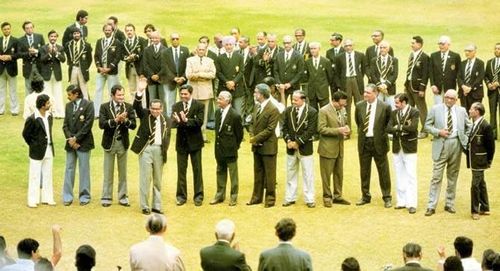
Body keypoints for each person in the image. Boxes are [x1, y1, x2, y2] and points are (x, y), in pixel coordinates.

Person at [424, 89, 471, 216]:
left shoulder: (461, 111)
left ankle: (449, 204)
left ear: (456, 100)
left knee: (453, 175)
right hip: (441, 144)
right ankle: (431, 205)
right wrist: (439, 132)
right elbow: (426, 126)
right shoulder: (435, 109)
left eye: (452, 98)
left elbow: (469, 126)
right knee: (436, 177)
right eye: (447, 97)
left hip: (456, 144)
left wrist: (464, 139)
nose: (449, 100)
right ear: (444, 97)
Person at [130, 83, 170, 215]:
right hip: (146, 149)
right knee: (145, 179)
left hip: (159, 151)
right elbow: (136, 107)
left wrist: (165, 151)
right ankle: (145, 206)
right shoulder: (145, 115)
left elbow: (167, 137)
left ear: (162, 109)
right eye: (153, 109)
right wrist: (140, 92)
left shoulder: (167, 120)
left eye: (157, 109)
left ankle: (157, 206)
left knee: (158, 180)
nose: (155, 111)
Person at [99, 84, 137, 207]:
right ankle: (106, 197)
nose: (121, 97)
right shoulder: (104, 107)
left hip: (123, 143)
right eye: (119, 95)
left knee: (123, 172)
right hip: (109, 143)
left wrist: (124, 121)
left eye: (122, 94)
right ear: (112, 95)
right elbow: (101, 124)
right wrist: (115, 120)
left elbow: (133, 125)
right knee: (108, 172)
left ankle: (123, 197)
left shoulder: (129, 107)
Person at [355, 84, 392, 208]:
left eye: (368, 92)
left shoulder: (385, 107)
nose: (365, 94)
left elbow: (388, 123)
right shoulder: (359, 106)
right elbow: (358, 122)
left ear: (376, 93)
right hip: (364, 142)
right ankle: (365, 196)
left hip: (379, 143)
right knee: (364, 171)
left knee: (383, 171)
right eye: (364, 92)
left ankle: (387, 197)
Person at [282, 90, 317, 208]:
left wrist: (298, 142)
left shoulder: (312, 112)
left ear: (303, 100)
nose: (293, 102)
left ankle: (310, 198)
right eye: (292, 99)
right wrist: (288, 141)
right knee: (291, 172)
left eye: (295, 100)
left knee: (308, 174)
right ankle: (290, 197)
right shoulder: (288, 111)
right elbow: (284, 127)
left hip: (305, 147)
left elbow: (311, 130)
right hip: (290, 147)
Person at [172, 84, 205, 206]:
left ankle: (199, 196)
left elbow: (199, 122)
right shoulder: (176, 106)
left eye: (185, 94)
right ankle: (181, 196)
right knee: (181, 171)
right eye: (181, 94)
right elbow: (173, 124)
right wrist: (177, 121)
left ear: (191, 94)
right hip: (181, 143)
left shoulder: (199, 106)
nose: (183, 96)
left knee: (197, 170)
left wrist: (186, 121)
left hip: (195, 143)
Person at [247, 83, 280, 208]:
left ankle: (270, 199)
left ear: (261, 94)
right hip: (257, 145)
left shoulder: (273, 109)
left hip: (268, 146)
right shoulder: (257, 107)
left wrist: (255, 138)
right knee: (258, 172)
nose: (254, 94)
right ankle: (256, 197)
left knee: (270, 174)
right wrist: (251, 134)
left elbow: (270, 129)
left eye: (256, 92)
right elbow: (252, 122)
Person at [62, 84, 94, 206]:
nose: (68, 97)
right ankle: (67, 196)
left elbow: (88, 125)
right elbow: (65, 125)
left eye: (69, 94)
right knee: (69, 169)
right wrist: (70, 139)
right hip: (71, 144)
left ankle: (84, 196)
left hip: (83, 143)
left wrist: (76, 139)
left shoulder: (88, 104)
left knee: (84, 169)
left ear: (76, 94)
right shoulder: (68, 106)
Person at [387, 93, 419, 214]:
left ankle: (412, 203)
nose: (395, 105)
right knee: (399, 174)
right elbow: (388, 128)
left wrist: (398, 127)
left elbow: (413, 128)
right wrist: (403, 127)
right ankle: (401, 201)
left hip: (409, 147)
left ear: (404, 102)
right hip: (397, 147)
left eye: (397, 103)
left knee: (411, 175)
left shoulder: (414, 112)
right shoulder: (394, 113)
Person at [318, 91, 351, 207]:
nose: (343, 107)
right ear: (334, 101)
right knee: (326, 175)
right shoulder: (323, 111)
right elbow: (321, 129)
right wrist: (338, 131)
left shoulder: (342, 110)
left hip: (339, 147)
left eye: (344, 105)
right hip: (327, 148)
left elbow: (344, 123)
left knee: (339, 173)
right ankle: (327, 196)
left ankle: (338, 196)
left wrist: (346, 128)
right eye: (341, 104)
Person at [210, 91, 243, 206]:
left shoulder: (235, 115)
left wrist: (234, 146)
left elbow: (239, 135)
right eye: (218, 98)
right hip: (219, 149)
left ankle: (233, 196)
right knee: (220, 171)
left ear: (228, 100)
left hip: (230, 150)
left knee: (233, 174)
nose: (218, 101)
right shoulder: (217, 112)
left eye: (220, 99)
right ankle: (220, 195)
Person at [22, 94, 55, 208]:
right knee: (35, 176)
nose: (50, 105)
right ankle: (32, 199)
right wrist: (33, 145)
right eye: (48, 103)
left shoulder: (50, 116)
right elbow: (26, 134)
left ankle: (47, 198)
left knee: (48, 174)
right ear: (42, 105)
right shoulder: (32, 118)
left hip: (49, 149)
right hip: (36, 151)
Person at [466, 102, 495, 220]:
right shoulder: (475, 123)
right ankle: (485, 207)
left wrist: (488, 161)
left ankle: (475, 210)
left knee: (475, 185)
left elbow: (491, 146)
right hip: (475, 159)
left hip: (479, 160)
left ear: (477, 111)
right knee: (481, 183)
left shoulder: (485, 126)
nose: (469, 110)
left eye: (471, 109)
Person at [334, 39, 367, 129]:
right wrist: (339, 85)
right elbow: (337, 72)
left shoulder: (360, 55)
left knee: (360, 104)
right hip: (345, 81)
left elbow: (363, 69)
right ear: (343, 47)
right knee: (346, 106)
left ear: (353, 45)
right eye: (346, 46)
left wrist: (358, 78)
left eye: (350, 45)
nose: (348, 47)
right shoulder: (339, 57)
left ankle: (362, 127)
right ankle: (347, 129)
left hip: (356, 80)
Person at [186, 43, 216, 142]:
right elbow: (188, 75)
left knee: (204, 114)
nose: (201, 51)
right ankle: (191, 134)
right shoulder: (190, 60)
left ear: (205, 50)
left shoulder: (210, 61)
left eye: (203, 49)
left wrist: (198, 74)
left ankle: (203, 135)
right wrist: (203, 76)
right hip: (193, 90)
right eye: (199, 49)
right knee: (192, 113)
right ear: (196, 49)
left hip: (205, 91)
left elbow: (212, 74)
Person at [93, 24, 123, 118]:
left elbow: (118, 57)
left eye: (109, 30)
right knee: (98, 90)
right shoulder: (99, 41)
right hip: (101, 71)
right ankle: (97, 112)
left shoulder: (117, 42)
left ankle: (112, 112)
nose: (107, 32)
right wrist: (99, 67)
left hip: (112, 71)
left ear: (112, 31)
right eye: (106, 30)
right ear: (103, 31)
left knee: (112, 92)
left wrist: (109, 68)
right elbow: (96, 55)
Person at [404, 36, 430, 139]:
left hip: (417, 87)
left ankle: (425, 130)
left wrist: (422, 88)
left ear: (419, 44)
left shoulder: (424, 57)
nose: (411, 45)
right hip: (409, 85)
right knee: (409, 108)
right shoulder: (411, 55)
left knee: (421, 109)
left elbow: (425, 74)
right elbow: (409, 70)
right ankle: (409, 129)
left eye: (413, 43)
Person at [161, 32, 189, 117]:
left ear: (180, 39)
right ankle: (170, 119)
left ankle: (184, 118)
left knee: (184, 100)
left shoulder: (185, 50)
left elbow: (188, 65)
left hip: (183, 81)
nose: (175, 40)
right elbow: (165, 67)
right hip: (170, 81)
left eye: (177, 38)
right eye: (173, 39)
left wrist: (183, 77)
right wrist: (174, 78)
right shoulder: (165, 52)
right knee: (170, 101)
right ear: (170, 40)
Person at [38, 30, 66, 118]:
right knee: (47, 93)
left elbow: (63, 60)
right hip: (46, 74)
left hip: (57, 74)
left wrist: (57, 53)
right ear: (48, 37)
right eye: (51, 36)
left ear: (57, 38)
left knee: (58, 93)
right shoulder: (43, 48)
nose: (53, 38)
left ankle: (59, 112)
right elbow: (42, 60)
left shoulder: (60, 48)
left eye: (54, 36)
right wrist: (49, 54)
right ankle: (48, 113)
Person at [215, 36, 245, 115]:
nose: (229, 46)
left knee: (237, 111)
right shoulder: (219, 58)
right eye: (227, 44)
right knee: (223, 111)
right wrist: (227, 82)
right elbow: (218, 72)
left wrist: (233, 82)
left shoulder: (240, 57)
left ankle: (238, 127)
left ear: (234, 45)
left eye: (230, 44)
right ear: (224, 46)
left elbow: (241, 71)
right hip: (224, 87)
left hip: (237, 88)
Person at [429, 36, 461, 105]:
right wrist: (432, 85)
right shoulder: (433, 56)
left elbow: (459, 73)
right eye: (439, 44)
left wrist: (459, 87)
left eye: (443, 44)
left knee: (449, 106)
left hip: (450, 87)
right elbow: (431, 72)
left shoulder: (455, 56)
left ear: (448, 44)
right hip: (437, 88)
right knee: (438, 106)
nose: (441, 46)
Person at [274, 35, 304, 105]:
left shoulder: (298, 56)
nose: (286, 45)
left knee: (295, 106)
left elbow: (300, 72)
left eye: (288, 43)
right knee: (281, 107)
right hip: (281, 87)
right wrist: (279, 83)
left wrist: (290, 83)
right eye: (284, 43)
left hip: (294, 87)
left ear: (292, 43)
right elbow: (275, 71)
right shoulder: (278, 55)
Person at [64, 26, 92, 100]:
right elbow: (68, 57)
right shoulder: (68, 45)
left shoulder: (86, 45)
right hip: (73, 68)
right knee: (73, 88)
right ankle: (74, 104)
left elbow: (89, 59)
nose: (76, 35)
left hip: (82, 69)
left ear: (80, 34)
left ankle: (86, 104)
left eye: (78, 33)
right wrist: (71, 64)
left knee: (84, 88)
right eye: (74, 33)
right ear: (72, 35)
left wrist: (84, 67)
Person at [368, 40, 398, 109]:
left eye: (384, 48)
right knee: (378, 109)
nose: (382, 49)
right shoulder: (374, 60)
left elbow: (394, 75)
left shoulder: (394, 60)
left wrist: (385, 85)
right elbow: (373, 74)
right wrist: (379, 85)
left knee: (391, 108)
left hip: (389, 88)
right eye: (380, 48)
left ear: (388, 49)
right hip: (378, 89)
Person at [303, 42, 334, 110]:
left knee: (325, 111)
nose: (313, 50)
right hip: (312, 93)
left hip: (323, 92)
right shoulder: (307, 62)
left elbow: (330, 77)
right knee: (313, 111)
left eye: (314, 48)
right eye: (311, 49)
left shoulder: (326, 61)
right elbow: (306, 77)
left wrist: (324, 85)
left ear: (319, 49)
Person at [17, 21, 45, 95]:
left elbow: (44, 50)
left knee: (41, 88)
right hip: (28, 67)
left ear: (33, 28)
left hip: (39, 66)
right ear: (24, 29)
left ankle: (42, 105)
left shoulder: (40, 37)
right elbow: (19, 54)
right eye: (27, 28)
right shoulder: (20, 40)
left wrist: (37, 51)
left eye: (31, 27)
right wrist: (28, 54)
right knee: (28, 89)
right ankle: (29, 106)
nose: (29, 29)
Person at [140, 31, 167, 107]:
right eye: (153, 38)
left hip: (162, 79)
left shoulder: (165, 50)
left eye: (156, 38)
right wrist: (152, 75)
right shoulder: (147, 50)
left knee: (162, 100)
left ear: (160, 38)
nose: (154, 40)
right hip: (151, 79)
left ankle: (163, 117)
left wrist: (158, 75)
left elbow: (166, 66)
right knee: (152, 100)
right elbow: (145, 65)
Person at [122, 23, 147, 101]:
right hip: (129, 69)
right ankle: (134, 109)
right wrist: (127, 58)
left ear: (134, 31)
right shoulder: (124, 42)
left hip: (139, 68)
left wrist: (136, 56)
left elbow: (144, 54)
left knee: (141, 89)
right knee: (132, 89)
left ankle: (142, 109)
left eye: (131, 30)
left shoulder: (141, 40)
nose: (129, 32)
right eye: (127, 31)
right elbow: (121, 55)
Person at [457, 44, 484, 111]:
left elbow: (480, 78)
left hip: (475, 93)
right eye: (465, 51)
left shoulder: (480, 63)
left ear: (474, 52)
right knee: (465, 114)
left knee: (476, 113)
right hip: (463, 93)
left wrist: (470, 88)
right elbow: (459, 77)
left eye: (469, 51)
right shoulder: (462, 63)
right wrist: (463, 86)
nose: (467, 53)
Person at [0, 22, 19, 116]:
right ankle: (0, 109)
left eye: (8, 29)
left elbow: (19, 54)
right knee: (1, 90)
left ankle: (14, 110)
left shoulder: (15, 40)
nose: (7, 30)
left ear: (10, 29)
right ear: (2, 30)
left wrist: (10, 57)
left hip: (11, 68)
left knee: (13, 90)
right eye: (5, 29)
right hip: (1, 69)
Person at [484, 43, 500, 140]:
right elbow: (486, 75)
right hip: (492, 92)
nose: (497, 50)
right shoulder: (490, 62)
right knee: (492, 113)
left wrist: (499, 83)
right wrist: (488, 83)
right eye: (496, 49)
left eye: (499, 49)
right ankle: (493, 134)